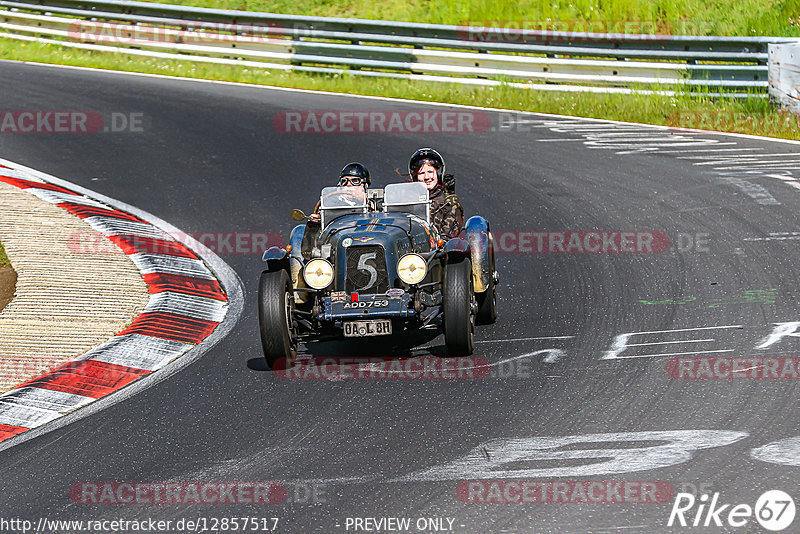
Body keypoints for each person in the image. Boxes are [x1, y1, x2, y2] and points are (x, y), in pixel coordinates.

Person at [408, 148, 464, 240]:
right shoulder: (406, 199)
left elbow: (447, 241)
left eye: (430, 172)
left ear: (438, 174)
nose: (427, 177)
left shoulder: (449, 204)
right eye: (421, 173)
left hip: (436, 252)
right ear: (415, 176)